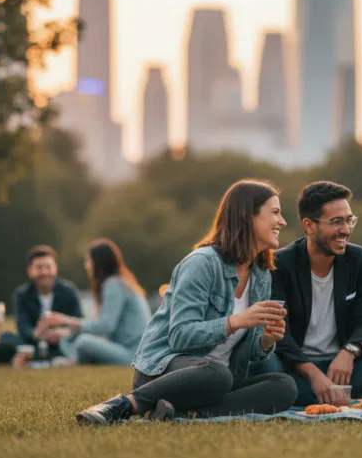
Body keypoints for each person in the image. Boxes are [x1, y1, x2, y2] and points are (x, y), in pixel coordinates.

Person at [74, 179, 297, 424]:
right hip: (166, 373)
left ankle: (187, 415)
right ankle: (124, 404)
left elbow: (250, 355)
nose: (282, 221)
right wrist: (235, 321)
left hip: (219, 379)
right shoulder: (202, 263)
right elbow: (180, 335)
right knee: (217, 374)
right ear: (246, 216)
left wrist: (265, 341)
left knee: (284, 385)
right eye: (275, 213)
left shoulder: (261, 274)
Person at [250, 181, 362, 406]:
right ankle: (359, 396)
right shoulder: (279, 264)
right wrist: (312, 374)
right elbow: (280, 335)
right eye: (336, 222)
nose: (346, 229)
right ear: (309, 225)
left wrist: (348, 353)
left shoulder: (360, 260)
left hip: (342, 366)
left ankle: (309, 396)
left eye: (349, 220)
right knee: (265, 366)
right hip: (295, 365)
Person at [44, 238, 150, 365]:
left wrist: (65, 320)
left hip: (132, 354)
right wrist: (69, 331)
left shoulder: (114, 284)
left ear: (98, 263)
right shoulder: (122, 281)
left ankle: (72, 361)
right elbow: (105, 328)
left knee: (83, 341)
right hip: (131, 350)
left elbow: (105, 326)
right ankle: (75, 359)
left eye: (89, 261)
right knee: (72, 338)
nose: (87, 265)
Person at [2, 245, 83, 358]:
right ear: (30, 271)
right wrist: (38, 334)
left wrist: (62, 333)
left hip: (63, 342)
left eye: (48, 267)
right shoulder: (21, 294)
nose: (44, 272)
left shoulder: (69, 291)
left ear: (55, 268)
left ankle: (36, 358)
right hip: (34, 342)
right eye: (39, 268)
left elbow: (79, 321)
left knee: (81, 342)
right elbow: (23, 326)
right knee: (6, 337)